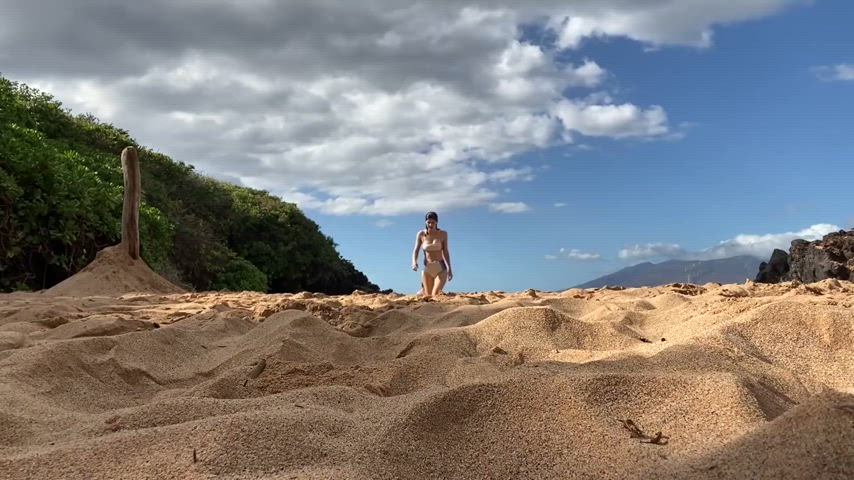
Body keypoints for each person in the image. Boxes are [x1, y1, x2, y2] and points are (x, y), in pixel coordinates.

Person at [412, 211, 452, 297]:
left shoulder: (443, 234)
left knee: (435, 294)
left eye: (433, 222)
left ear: (437, 222)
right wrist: (414, 262)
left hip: (441, 268)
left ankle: (426, 290)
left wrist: (450, 269)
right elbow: (416, 250)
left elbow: (445, 252)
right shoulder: (421, 234)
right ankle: (423, 290)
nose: (430, 224)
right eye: (428, 222)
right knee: (428, 296)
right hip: (428, 268)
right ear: (425, 222)